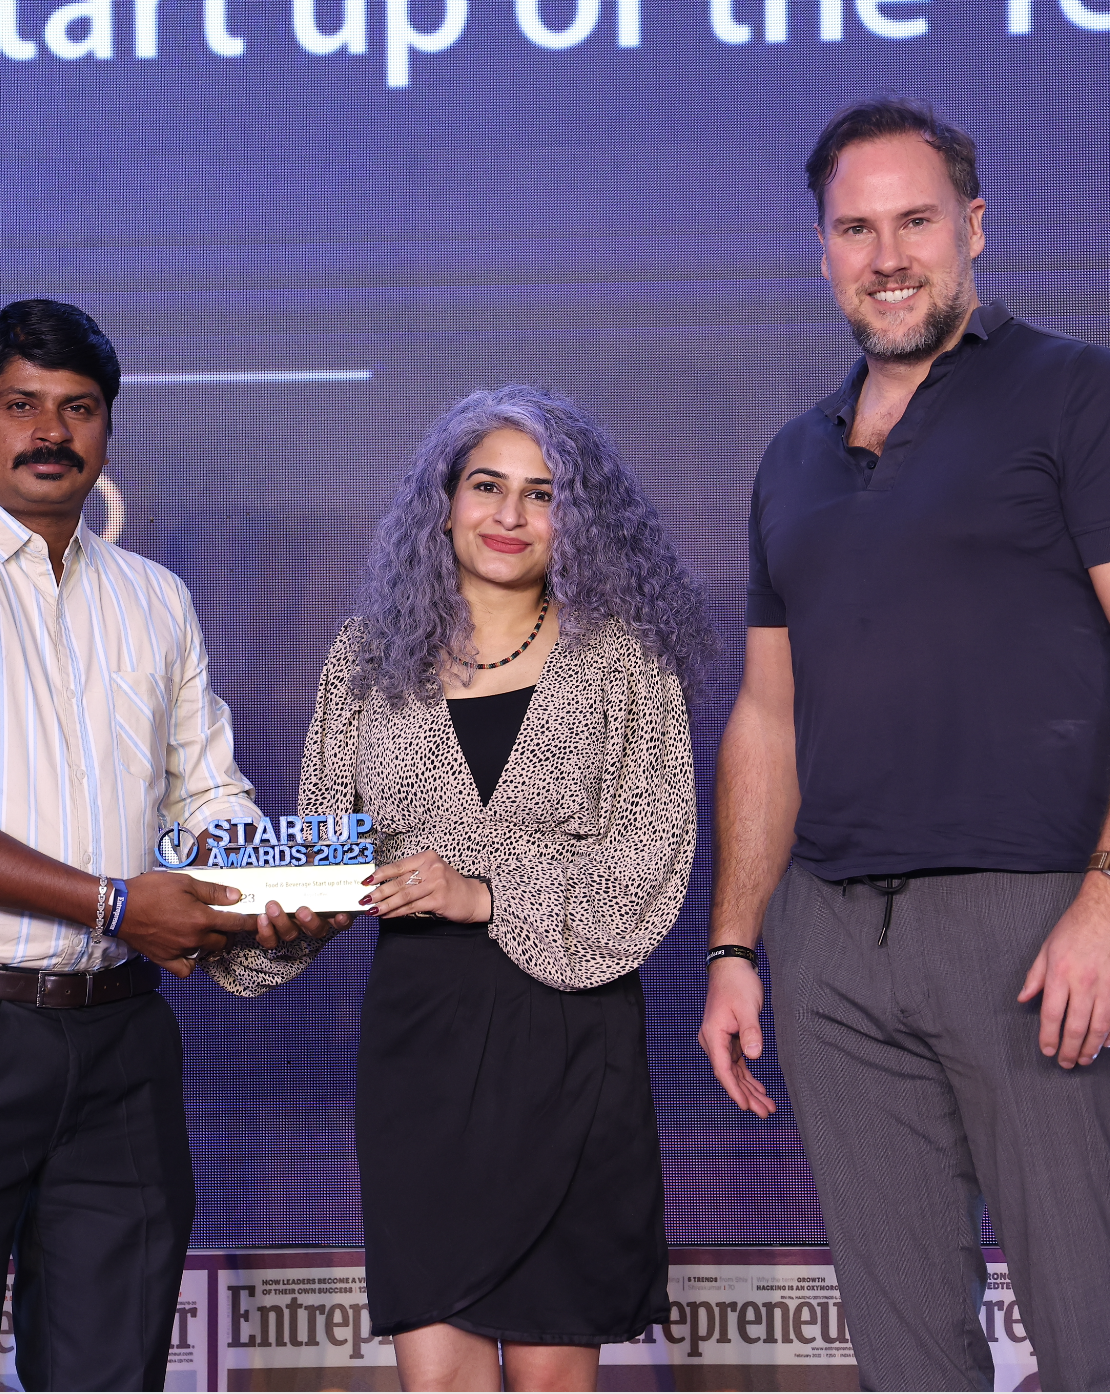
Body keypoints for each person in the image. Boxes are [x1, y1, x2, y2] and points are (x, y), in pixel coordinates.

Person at [697, 99, 1110, 1391]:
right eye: (854, 229)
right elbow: (765, 713)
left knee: (1093, 1344)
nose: (886, 256)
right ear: (822, 249)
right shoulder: (790, 458)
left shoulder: (1079, 392)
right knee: (906, 1357)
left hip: (1027, 928)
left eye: (914, 222)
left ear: (972, 227)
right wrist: (734, 945)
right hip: (827, 945)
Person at [0, 298, 331, 1392]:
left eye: (79, 408)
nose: (51, 431)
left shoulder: (153, 598)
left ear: (105, 429)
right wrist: (117, 904)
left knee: (112, 1372)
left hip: (120, 1041)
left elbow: (208, 795)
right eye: (22, 405)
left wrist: (265, 893)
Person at [218, 385, 714, 1392]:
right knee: (438, 1379)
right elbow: (328, 854)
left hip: (569, 1038)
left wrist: (482, 890)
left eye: (542, 494)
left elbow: (649, 864)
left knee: (550, 1374)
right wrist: (233, 919)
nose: (509, 515)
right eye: (487, 486)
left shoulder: (625, 663)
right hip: (422, 1045)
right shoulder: (366, 657)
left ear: (578, 519)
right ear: (441, 503)